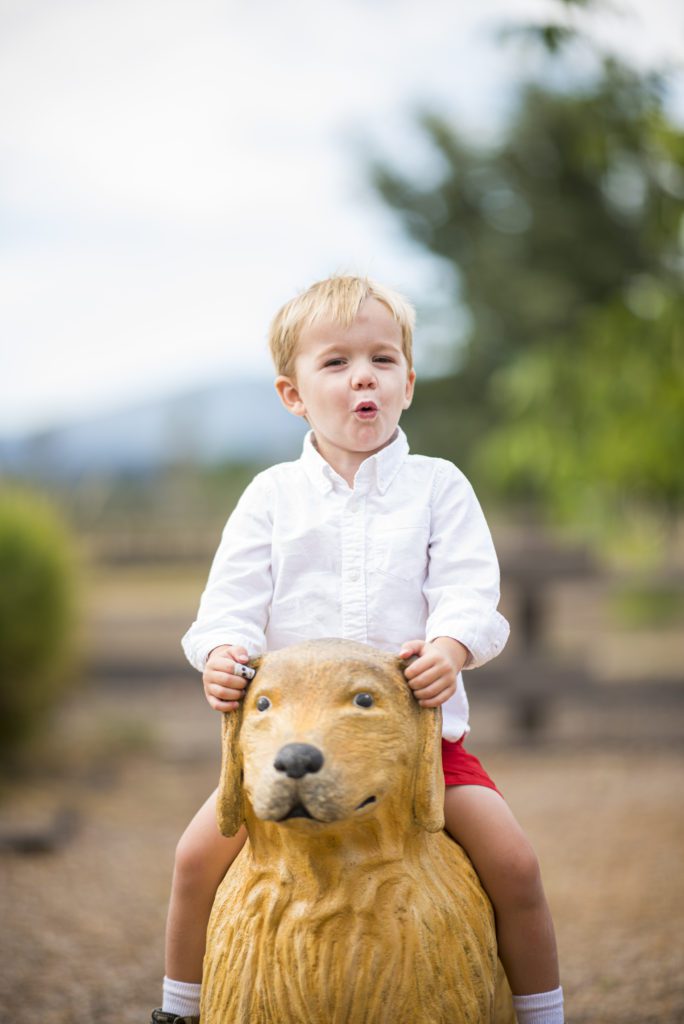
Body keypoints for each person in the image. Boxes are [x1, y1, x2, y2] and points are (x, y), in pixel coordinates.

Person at [150, 275, 564, 1024]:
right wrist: (221, 652)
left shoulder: (439, 488)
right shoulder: (271, 496)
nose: (362, 376)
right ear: (293, 394)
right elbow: (230, 602)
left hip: (416, 748)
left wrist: (451, 644)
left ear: (408, 381)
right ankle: (181, 1007)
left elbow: (472, 589)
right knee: (191, 860)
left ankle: (543, 1012)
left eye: (381, 358)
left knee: (515, 863)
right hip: (291, 742)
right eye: (335, 363)